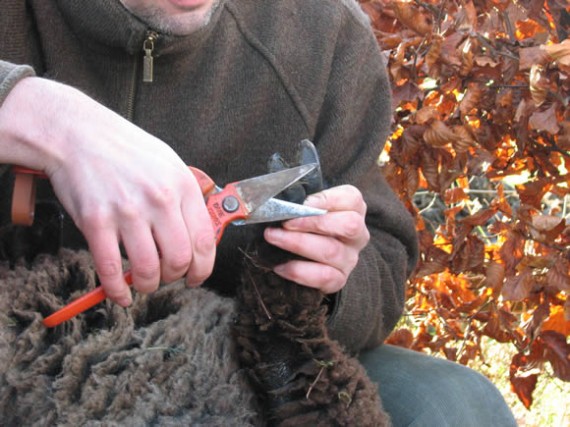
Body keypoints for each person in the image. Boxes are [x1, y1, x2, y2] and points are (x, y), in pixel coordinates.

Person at [0, 0, 516, 425]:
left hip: (229, 356)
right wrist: (37, 115)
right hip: (21, 343)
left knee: (454, 406)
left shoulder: (327, 36)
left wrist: (330, 277)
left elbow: (382, 256)